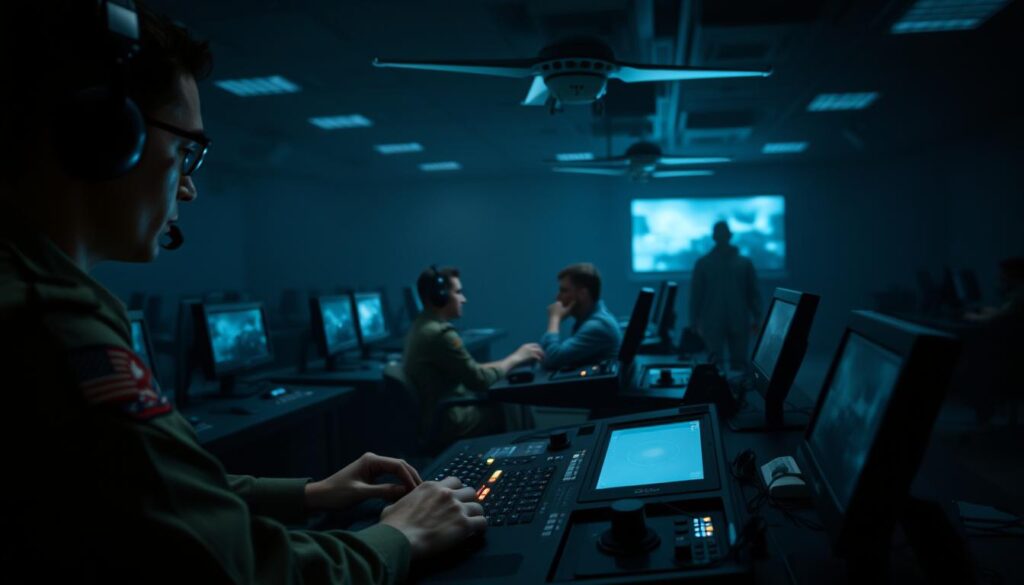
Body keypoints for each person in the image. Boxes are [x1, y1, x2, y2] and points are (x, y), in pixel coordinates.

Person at [0, 2, 483, 582]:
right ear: (106, 135)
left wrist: (310, 492)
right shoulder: (52, 323)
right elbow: (245, 570)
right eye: (186, 151)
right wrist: (401, 535)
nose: (191, 188)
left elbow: (160, 489)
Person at [404, 266, 544, 443]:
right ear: (441, 295)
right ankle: (529, 455)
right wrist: (516, 358)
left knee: (504, 388)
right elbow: (479, 380)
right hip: (452, 420)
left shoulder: (421, 326)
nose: (464, 299)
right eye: (458, 292)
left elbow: (468, 369)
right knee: (512, 400)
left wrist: (510, 361)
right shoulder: (440, 334)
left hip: (437, 415)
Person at [689, 221, 763, 372]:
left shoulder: (742, 263)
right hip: (718, 321)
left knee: (737, 363)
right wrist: (693, 321)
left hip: (733, 320)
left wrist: (758, 317)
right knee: (716, 365)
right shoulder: (704, 264)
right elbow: (696, 295)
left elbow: (752, 293)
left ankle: (734, 394)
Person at [540, 263, 622, 370]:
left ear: (583, 294)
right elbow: (545, 355)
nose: (558, 297)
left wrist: (554, 319)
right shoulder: (590, 320)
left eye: (564, 291)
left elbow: (551, 360)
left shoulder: (598, 327)